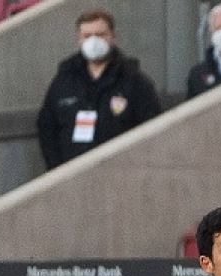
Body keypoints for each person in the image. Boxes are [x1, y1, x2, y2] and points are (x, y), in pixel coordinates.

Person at [36, 9, 162, 170]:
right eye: (87, 36)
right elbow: (47, 125)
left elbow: (151, 127)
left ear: (112, 37)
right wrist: (55, 167)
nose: (93, 41)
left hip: (119, 173)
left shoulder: (134, 80)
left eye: (100, 34)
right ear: (79, 40)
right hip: (71, 174)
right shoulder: (64, 79)